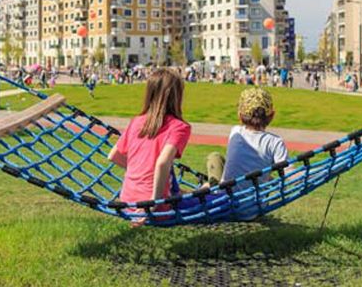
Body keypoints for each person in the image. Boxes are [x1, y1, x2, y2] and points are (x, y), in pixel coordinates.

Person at [107, 69, 191, 226]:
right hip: (159, 209)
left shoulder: (136, 121)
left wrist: (140, 170)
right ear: (177, 96)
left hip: (128, 203)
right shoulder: (179, 127)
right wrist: (153, 202)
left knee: (177, 183)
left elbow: (113, 155)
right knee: (216, 199)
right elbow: (162, 163)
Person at [205, 88, 290, 205]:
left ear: (240, 115)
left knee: (215, 157)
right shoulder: (275, 142)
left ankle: (210, 187)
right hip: (254, 208)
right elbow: (289, 172)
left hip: (225, 202)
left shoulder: (235, 132)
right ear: (272, 116)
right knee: (265, 174)